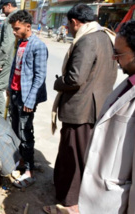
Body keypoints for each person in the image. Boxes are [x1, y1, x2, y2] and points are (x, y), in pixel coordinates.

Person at [45, 4, 118, 214]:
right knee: (79, 155)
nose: (67, 29)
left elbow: (75, 78)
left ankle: (70, 204)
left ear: (75, 22)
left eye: (68, 25)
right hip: (95, 107)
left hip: (81, 110)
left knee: (73, 157)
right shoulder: (105, 36)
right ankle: (69, 194)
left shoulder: (88, 40)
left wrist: (58, 83)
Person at [78, 20, 135, 214]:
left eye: (119, 53)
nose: (114, 58)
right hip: (100, 195)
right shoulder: (128, 84)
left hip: (118, 201)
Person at [7, 10, 48, 188]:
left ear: (28, 27)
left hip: (26, 99)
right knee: (16, 131)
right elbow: (15, 69)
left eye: (17, 28)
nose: (14, 32)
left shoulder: (37, 46)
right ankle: (22, 162)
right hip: (16, 94)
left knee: (25, 134)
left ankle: (29, 172)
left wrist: (30, 101)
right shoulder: (21, 43)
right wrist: (10, 88)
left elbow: (40, 77)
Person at [0, 0, 18, 116]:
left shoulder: (11, 19)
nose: (2, 11)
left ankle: (2, 118)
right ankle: (8, 117)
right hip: (16, 58)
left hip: (8, 59)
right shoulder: (21, 16)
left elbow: (7, 44)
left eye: (3, 8)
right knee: (9, 90)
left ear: (9, 6)